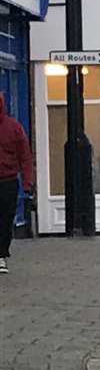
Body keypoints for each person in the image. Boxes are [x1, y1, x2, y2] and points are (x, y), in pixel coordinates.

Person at [0, 93, 35, 275]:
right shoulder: (14, 127)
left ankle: (1, 254)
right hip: (9, 181)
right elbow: (25, 157)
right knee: (4, 220)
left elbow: (24, 156)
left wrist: (28, 182)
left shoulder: (13, 128)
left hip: (8, 181)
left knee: (5, 220)